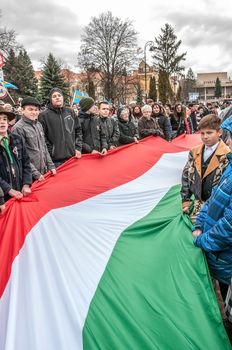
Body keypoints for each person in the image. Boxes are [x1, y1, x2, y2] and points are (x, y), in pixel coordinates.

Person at [193, 115, 232, 301]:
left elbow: (229, 226)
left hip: (224, 255)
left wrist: (203, 240)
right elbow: (215, 197)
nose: (229, 141)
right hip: (219, 254)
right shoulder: (231, 166)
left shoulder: (226, 158)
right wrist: (200, 223)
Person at [181, 114, 229, 219]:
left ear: (219, 132)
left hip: (215, 206)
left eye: (209, 133)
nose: (205, 137)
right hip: (197, 202)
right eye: (202, 133)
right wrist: (186, 200)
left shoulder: (227, 155)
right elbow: (186, 176)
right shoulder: (194, 151)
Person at [12, 97, 56, 181]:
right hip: (29, 175)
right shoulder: (18, 128)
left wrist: (51, 166)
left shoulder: (38, 125)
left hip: (43, 171)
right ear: (22, 110)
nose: (34, 112)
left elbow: (44, 147)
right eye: (30, 109)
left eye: (36, 110)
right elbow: (20, 155)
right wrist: (36, 174)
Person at [39, 88, 82, 167]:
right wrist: (51, 151)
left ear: (63, 97)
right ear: (50, 99)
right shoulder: (44, 115)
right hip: (55, 161)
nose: (57, 97)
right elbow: (42, 137)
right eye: (54, 96)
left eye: (59, 95)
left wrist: (78, 148)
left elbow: (78, 130)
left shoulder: (70, 112)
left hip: (72, 157)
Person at [0, 107, 32, 201]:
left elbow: (26, 162)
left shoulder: (17, 138)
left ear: (8, 122)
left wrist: (26, 183)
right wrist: (8, 189)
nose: (2, 122)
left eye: (4, 119)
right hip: (3, 196)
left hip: (20, 190)